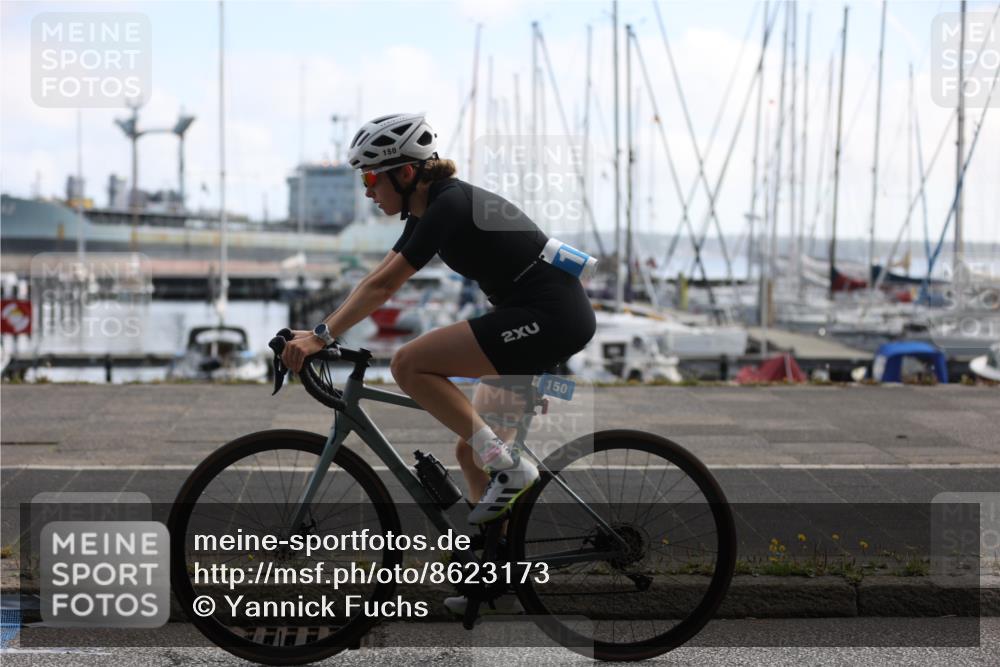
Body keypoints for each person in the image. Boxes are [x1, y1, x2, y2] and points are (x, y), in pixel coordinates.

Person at [281, 112, 596, 530]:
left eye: (371, 180)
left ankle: (508, 465)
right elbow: (376, 276)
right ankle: (487, 579)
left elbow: (386, 287)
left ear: (406, 172)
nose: (368, 192)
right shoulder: (428, 208)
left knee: (408, 364)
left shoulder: (449, 204)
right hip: (539, 315)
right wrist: (319, 331)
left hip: (549, 317)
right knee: (471, 454)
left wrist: (322, 337)